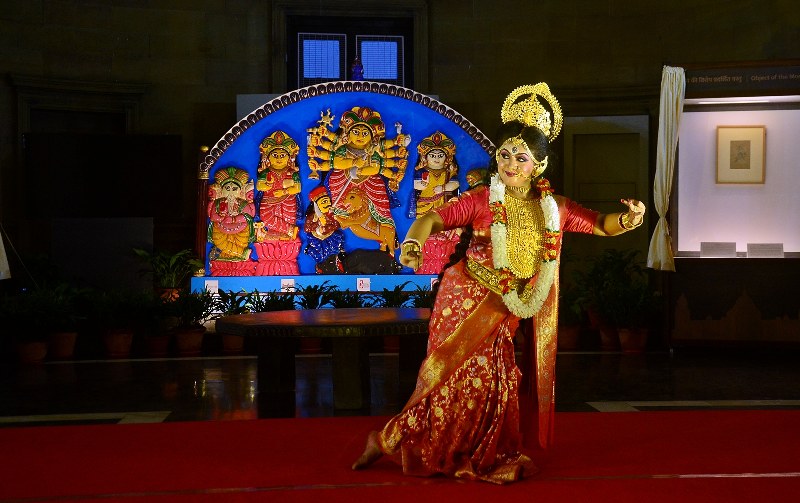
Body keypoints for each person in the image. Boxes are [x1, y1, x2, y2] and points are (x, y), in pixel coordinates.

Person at [351, 83, 646, 484]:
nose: (509, 163)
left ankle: (415, 444)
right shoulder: (480, 199)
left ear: (538, 166)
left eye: (520, 157)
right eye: (504, 154)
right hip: (463, 300)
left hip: (506, 310)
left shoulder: (554, 208)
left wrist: (628, 220)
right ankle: (410, 444)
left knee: (494, 381)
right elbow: (434, 218)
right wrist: (414, 241)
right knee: (448, 381)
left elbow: (599, 224)